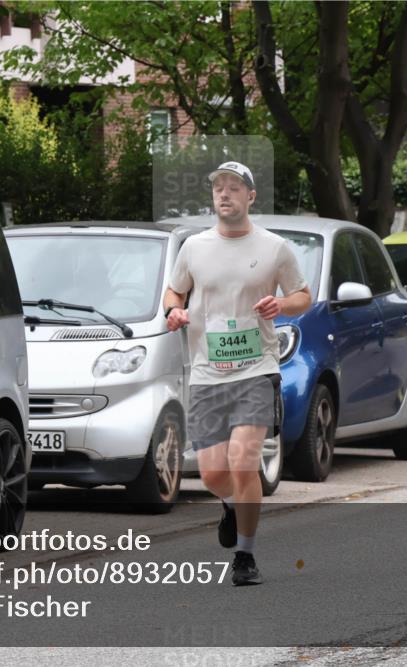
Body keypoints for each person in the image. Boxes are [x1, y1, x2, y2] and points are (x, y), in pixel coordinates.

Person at [163, 160, 311, 586]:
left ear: (251, 196)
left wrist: (281, 305)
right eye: (218, 188)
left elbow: (303, 295)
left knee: (243, 459)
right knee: (212, 472)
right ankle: (230, 504)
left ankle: (245, 557)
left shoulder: (274, 247)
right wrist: (175, 310)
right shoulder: (194, 247)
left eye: (233, 187)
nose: (224, 194)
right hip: (208, 371)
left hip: (256, 368)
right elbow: (175, 290)